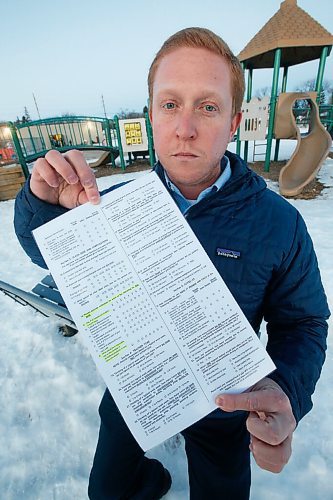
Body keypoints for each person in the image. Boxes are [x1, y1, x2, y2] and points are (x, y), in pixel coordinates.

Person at [14, 27, 329, 500]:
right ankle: (151, 482)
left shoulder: (278, 224)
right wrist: (44, 205)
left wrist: (285, 392)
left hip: (226, 402)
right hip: (136, 387)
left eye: (207, 106)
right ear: (152, 116)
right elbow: (46, 254)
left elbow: (304, 321)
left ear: (234, 121)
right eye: (169, 105)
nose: (185, 129)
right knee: (107, 493)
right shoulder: (110, 205)